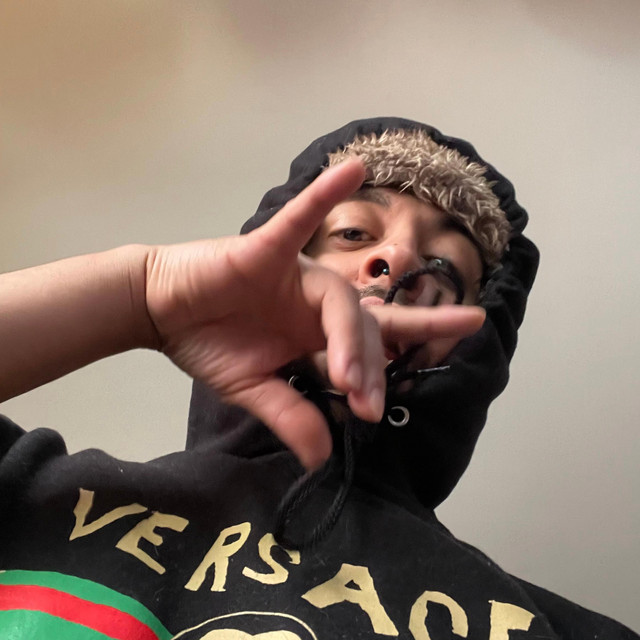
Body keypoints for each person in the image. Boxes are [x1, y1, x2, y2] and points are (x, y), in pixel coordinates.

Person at [0, 117, 636, 639]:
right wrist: (143, 297)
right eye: (354, 232)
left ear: (477, 346)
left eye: (444, 269)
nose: (397, 257)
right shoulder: (42, 498)